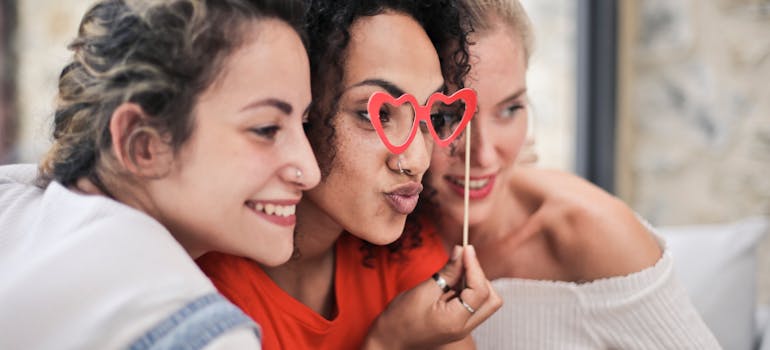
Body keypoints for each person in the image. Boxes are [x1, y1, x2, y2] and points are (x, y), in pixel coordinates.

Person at [0, 0, 320, 348]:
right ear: (143, 144)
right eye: (266, 129)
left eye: (304, 123)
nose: (310, 172)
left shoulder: (12, 200)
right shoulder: (199, 332)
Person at [197, 0, 502, 348]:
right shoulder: (209, 298)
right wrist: (387, 343)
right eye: (378, 115)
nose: (417, 160)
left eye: (431, 116)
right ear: (300, 109)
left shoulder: (402, 252)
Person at [422, 0, 721, 348]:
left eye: (509, 109)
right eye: (447, 116)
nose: (485, 154)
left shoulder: (593, 233)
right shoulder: (379, 232)